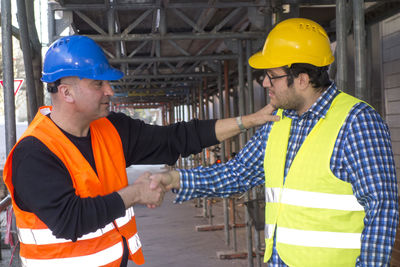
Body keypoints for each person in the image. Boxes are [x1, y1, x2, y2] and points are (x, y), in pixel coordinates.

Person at [2, 35, 280, 267]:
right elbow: (71, 220)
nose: (110, 90)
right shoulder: (34, 153)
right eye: (99, 84)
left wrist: (247, 121)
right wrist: (136, 193)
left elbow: (177, 138)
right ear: (66, 93)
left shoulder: (111, 129)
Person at [150, 18, 399, 266]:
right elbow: (237, 173)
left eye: (272, 75)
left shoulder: (357, 122)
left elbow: (382, 207)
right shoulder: (278, 121)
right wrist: (177, 179)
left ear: (302, 79)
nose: (265, 82)